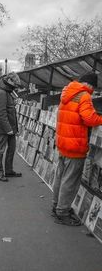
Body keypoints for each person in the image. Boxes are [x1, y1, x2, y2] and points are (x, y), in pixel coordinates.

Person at [52, 72, 102, 226]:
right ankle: (62, 212)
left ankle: (56, 206)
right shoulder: (84, 96)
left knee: (60, 177)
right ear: (90, 85)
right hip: (75, 146)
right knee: (71, 181)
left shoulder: (67, 93)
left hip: (63, 143)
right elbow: (89, 119)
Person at [0, 72, 22, 182]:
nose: (15, 86)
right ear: (9, 80)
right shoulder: (2, 93)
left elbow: (9, 111)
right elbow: (1, 113)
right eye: (14, 84)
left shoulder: (7, 91)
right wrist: (8, 129)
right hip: (4, 128)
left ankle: (9, 170)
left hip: (10, 128)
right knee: (0, 150)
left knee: (11, 149)